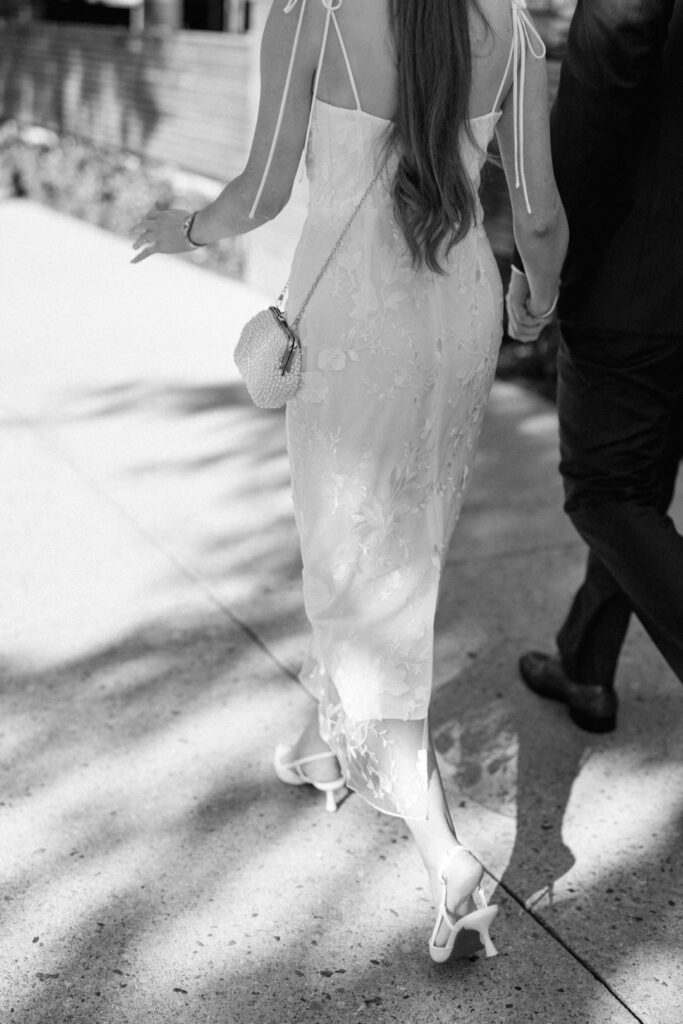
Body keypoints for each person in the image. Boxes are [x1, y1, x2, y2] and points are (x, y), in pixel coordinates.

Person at [131, 0, 567, 962]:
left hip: (355, 334)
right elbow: (535, 210)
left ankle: (444, 852)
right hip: (460, 319)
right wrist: (539, 295)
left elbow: (259, 190)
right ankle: (329, 747)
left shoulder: (311, 16)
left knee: (355, 569)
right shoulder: (514, 27)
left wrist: (181, 228)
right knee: (401, 548)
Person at [507, 0, 683, 734]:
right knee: (636, 486)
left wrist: (543, 265)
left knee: (605, 493)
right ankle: (584, 667)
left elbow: (599, 84)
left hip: (637, 278)